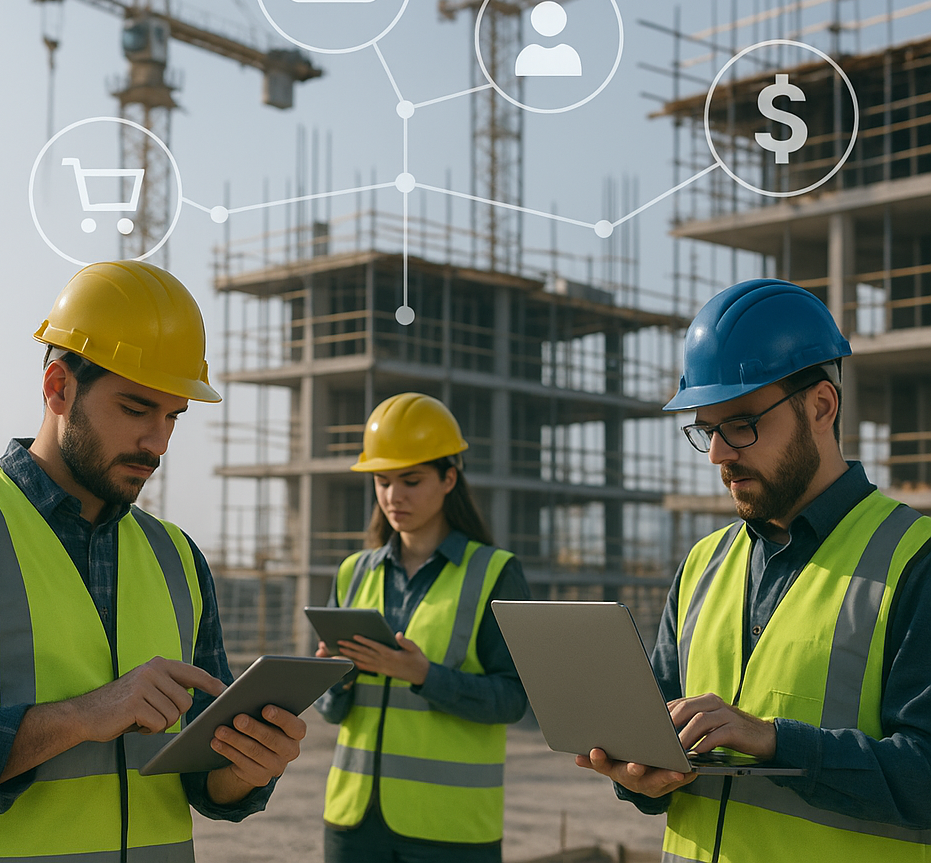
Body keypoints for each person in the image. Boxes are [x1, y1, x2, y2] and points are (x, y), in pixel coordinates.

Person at [0, 260, 306, 862]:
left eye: (173, 416)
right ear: (59, 388)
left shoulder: (178, 557)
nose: (158, 442)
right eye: (136, 409)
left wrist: (248, 767)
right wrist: (82, 716)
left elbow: (207, 781)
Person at [580, 278, 931, 861]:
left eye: (741, 424)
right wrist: (637, 774)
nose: (719, 454)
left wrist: (773, 741)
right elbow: (660, 741)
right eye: (707, 430)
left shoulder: (915, 562)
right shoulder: (703, 564)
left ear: (821, 406)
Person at [314, 392, 530, 863]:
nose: (394, 497)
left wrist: (423, 675)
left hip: (449, 828)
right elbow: (330, 711)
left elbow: (515, 700)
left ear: (449, 478)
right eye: (383, 481)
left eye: (410, 481)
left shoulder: (495, 572)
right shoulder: (353, 572)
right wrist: (333, 676)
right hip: (352, 822)